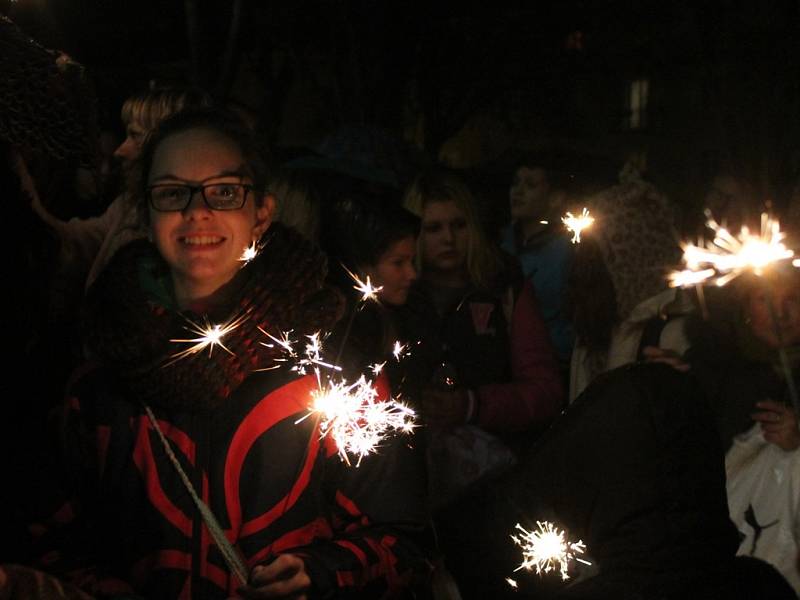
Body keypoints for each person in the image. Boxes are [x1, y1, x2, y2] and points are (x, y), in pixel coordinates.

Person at [7, 108, 429, 599]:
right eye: (171, 193)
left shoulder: (331, 368)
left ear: (262, 212)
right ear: (144, 213)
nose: (197, 212)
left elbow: (406, 538)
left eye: (224, 191)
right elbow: (49, 533)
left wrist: (322, 570)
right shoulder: (96, 371)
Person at [402, 169, 563, 599]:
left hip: (493, 490)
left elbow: (544, 389)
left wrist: (473, 405)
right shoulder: (398, 293)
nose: (448, 238)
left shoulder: (503, 289)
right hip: (411, 487)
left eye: (458, 225)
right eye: (432, 228)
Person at [29, 86, 213, 292]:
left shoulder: (193, 226)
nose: (120, 151)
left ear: (168, 145)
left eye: (135, 135)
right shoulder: (130, 204)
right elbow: (75, 244)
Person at [685, 267, 799, 593]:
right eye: (764, 299)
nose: (781, 312)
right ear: (745, 308)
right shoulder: (713, 368)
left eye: (792, 299)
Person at [567, 175, 692, 402]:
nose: (578, 269)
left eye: (594, 258)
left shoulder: (672, 336)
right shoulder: (595, 327)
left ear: (631, 261)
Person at [500, 160, 575, 368]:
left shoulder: (569, 249)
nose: (518, 192)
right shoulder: (499, 242)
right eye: (515, 183)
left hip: (551, 359)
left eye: (530, 185)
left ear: (555, 198)